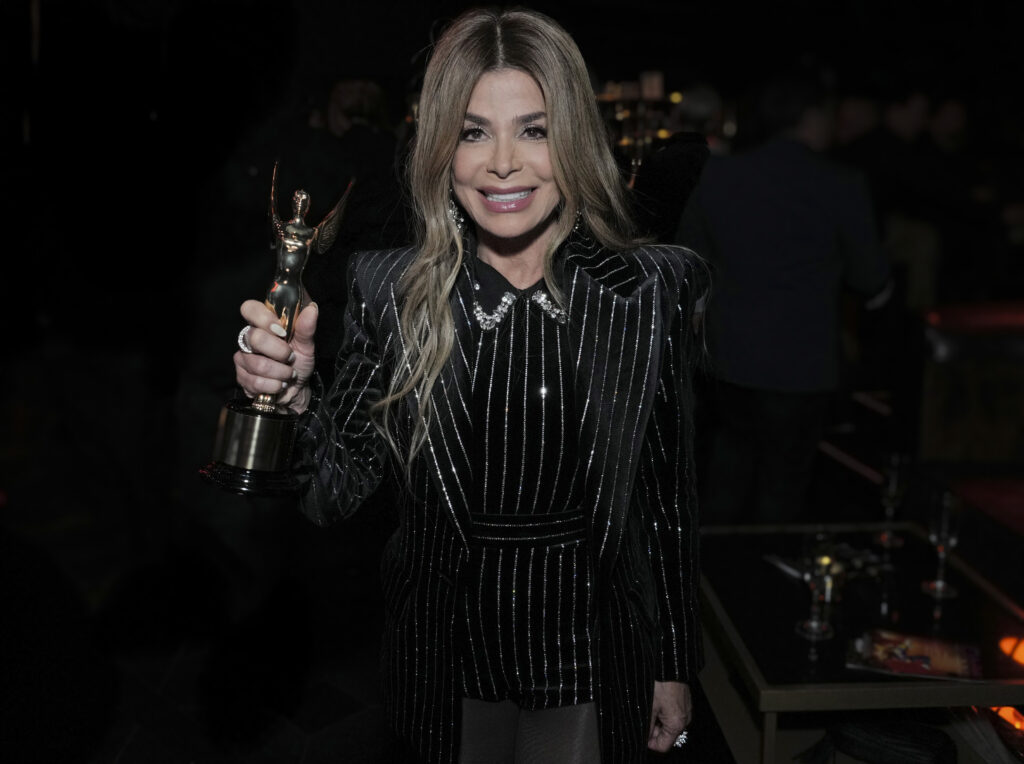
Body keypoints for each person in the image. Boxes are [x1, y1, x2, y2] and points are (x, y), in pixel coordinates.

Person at [230, 7, 705, 763]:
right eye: (474, 131)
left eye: (535, 129)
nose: (503, 163)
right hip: (445, 649)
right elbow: (334, 489)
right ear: (442, 149)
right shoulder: (391, 291)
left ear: (575, 139)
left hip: (584, 644)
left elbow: (665, 499)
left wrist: (676, 661)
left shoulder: (650, 292)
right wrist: (290, 402)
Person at [677, 66, 891, 526]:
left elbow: (690, 263)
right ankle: (767, 586)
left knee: (727, 472)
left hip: (729, 356)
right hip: (802, 363)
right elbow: (871, 279)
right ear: (811, 117)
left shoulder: (716, 176)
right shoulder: (841, 182)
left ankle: (711, 587)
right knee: (784, 489)